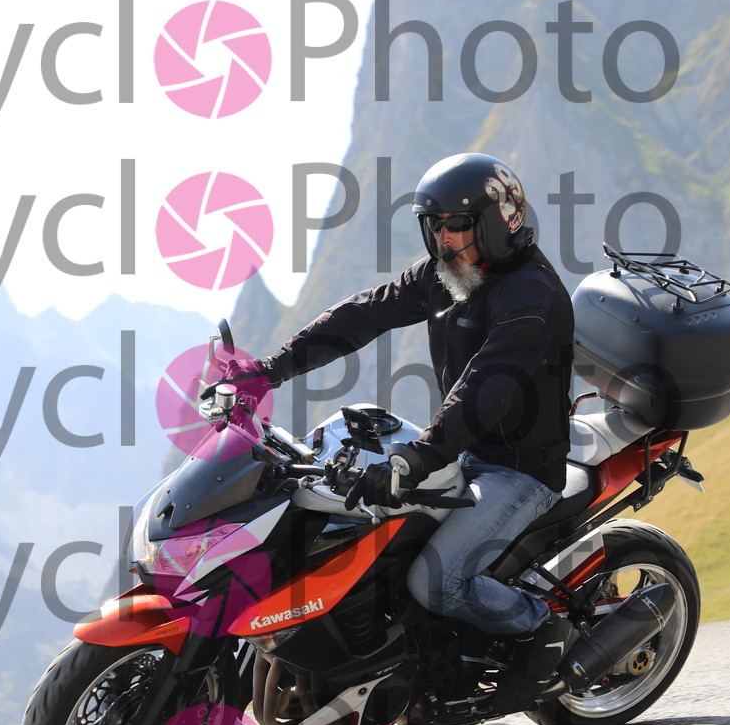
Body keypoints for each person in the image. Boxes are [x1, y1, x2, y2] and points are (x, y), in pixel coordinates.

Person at [221, 152, 580, 679]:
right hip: (459, 453)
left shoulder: (531, 294)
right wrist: (269, 372)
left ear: (498, 222)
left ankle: (545, 629)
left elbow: (486, 386)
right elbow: (364, 313)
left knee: (435, 581)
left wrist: (418, 458)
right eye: (433, 226)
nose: (443, 239)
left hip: (520, 471)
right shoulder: (448, 273)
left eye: (456, 225)